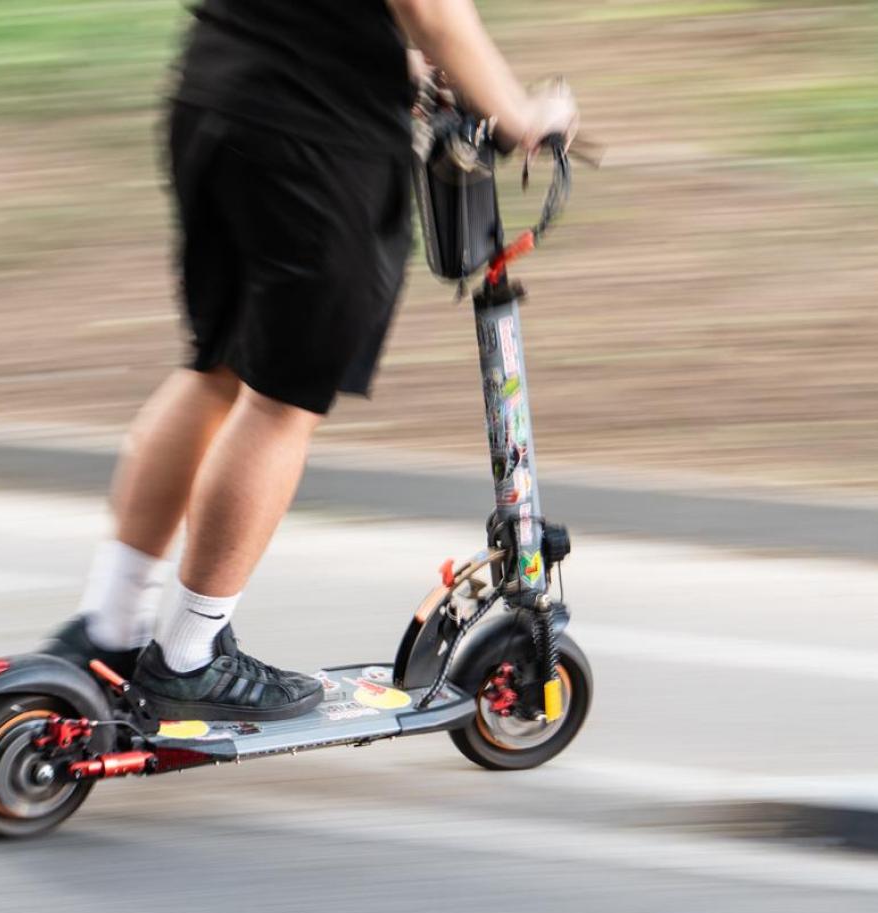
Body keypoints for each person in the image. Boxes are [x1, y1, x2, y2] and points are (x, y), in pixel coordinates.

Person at [42, 0, 580, 721]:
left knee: (215, 371)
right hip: (315, 139)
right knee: (280, 401)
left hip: (216, 94)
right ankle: (188, 658)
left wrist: (400, 61)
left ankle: (107, 629)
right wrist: (518, 112)